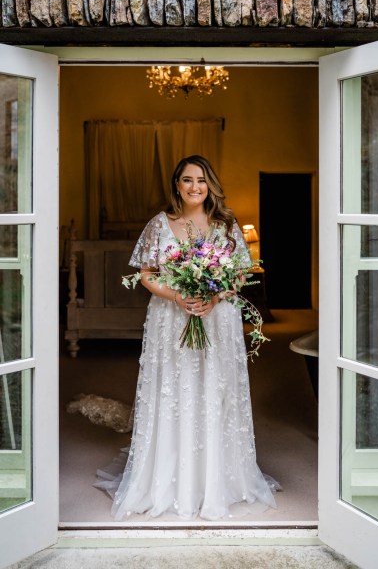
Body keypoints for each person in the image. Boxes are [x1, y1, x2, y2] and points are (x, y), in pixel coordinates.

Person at [95, 155, 279, 520]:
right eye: (187, 180)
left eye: (201, 180)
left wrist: (215, 295)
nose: (195, 187)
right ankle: (170, 479)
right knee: (175, 390)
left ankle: (216, 478)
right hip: (170, 318)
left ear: (210, 185)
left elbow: (241, 274)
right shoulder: (159, 225)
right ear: (176, 185)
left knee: (215, 390)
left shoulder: (226, 224)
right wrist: (177, 296)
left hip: (217, 318)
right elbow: (147, 275)